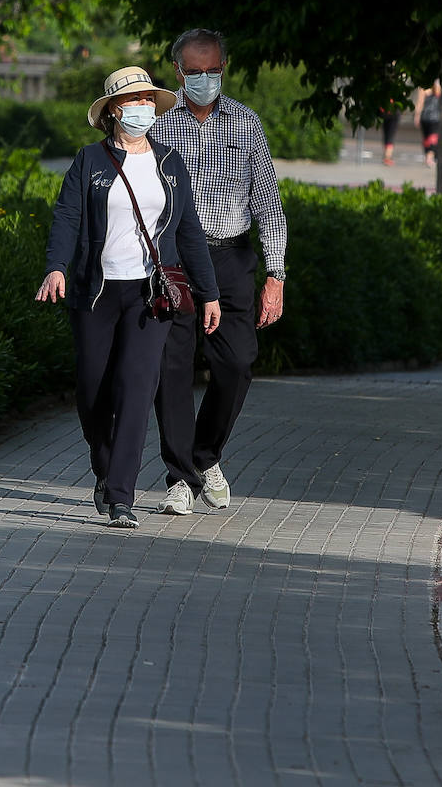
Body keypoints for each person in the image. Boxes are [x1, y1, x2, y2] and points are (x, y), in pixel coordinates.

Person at [36, 66, 221, 528]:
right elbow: (67, 218)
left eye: (147, 101)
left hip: (151, 295)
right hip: (95, 293)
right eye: (133, 101)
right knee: (94, 392)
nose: (142, 108)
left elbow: (190, 233)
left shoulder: (169, 163)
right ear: (114, 111)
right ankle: (104, 469)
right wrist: (56, 267)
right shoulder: (89, 162)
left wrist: (210, 293)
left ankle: (122, 497)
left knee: (137, 390)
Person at [149, 28, 288, 516]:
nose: (205, 79)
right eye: (195, 71)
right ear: (178, 72)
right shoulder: (158, 126)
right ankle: (180, 477)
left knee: (235, 364)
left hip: (230, 257)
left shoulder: (246, 124)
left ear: (223, 69)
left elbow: (269, 203)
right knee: (171, 369)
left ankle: (204, 457)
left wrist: (276, 276)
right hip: (175, 261)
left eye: (213, 71)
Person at [414, 80, 442, 167]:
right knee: (433, 138)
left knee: (427, 138)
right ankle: (430, 157)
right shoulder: (439, 88)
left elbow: (419, 103)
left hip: (425, 117)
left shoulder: (423, 88)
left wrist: (417, 116)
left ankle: (429, 156)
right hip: (435, 118)